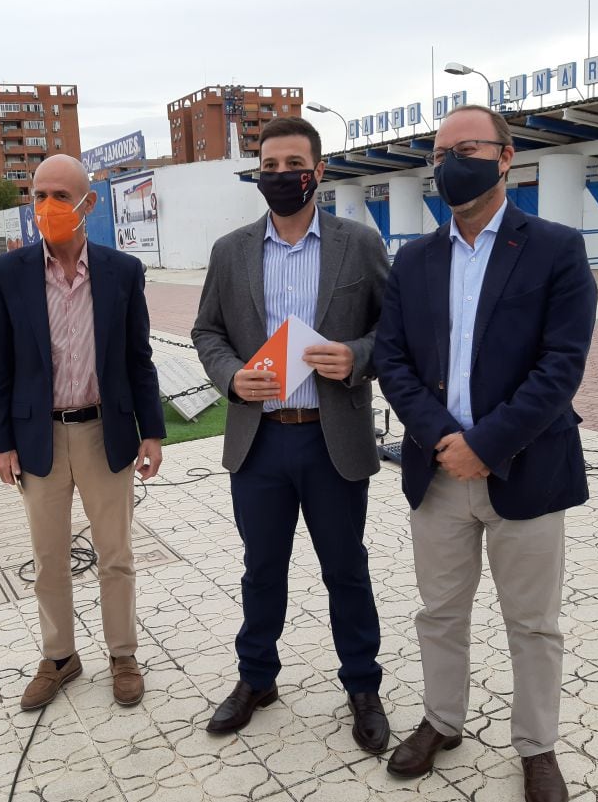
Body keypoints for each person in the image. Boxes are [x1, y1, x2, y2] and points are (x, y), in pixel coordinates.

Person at [372, 104, 597, 802]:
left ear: (505, 157)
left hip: (526, 469)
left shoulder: (555, 248)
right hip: (437, 472)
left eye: (462, 148)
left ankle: (536, 746)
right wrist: (448, 440)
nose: (446, 164)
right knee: (440, 611)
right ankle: (442, 720)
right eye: (436, 154)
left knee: (532, 622)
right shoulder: (414, 258)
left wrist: (487, 444)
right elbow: (393, 358)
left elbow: (561, 365)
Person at [191, 116, 392, 753]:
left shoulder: (359, 244)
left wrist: (357, 356)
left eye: (293, 165)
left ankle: (362, 685)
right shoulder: (230, 250)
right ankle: (257, 679)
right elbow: (207, 332)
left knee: (346, 570)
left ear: (319, 170)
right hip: (261, 441)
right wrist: (230, 378)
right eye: (269, 166)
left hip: (332, 439)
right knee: (261, 569)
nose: (281, 177)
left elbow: (398, 331)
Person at [0, 154, 166, 710]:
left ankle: (122, 654)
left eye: (60, 196)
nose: (47, 207)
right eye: (38, 195)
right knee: (49, 557)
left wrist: (151, 432)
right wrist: (1, 442)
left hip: (103, 433)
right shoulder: (7, 274)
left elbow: (139, 358)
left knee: (116, 553)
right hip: (39, 438)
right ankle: (59, 656)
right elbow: (0, 366)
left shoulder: (121, 271)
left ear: (87, 204)